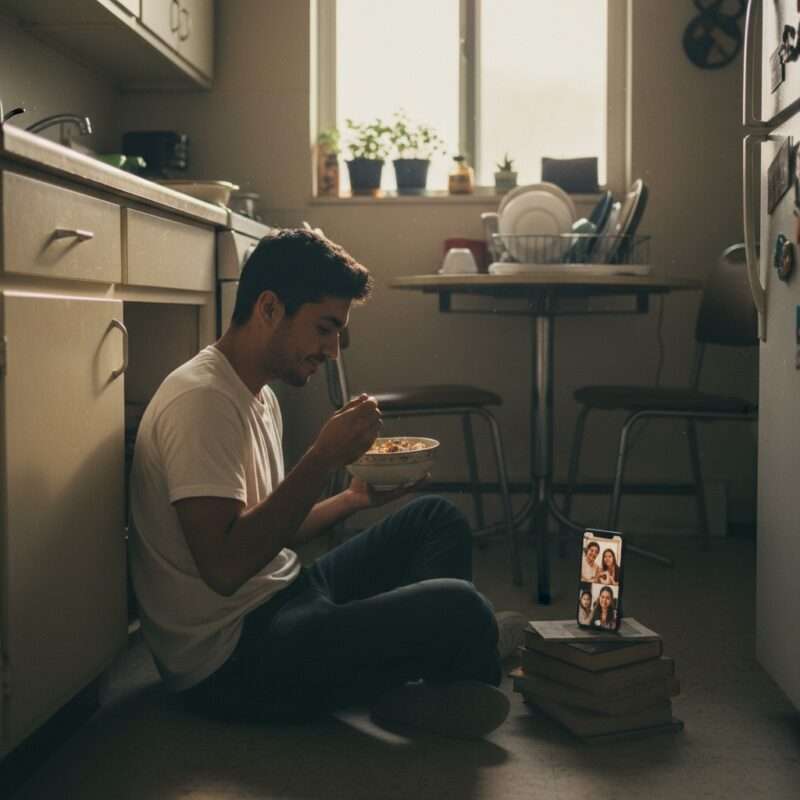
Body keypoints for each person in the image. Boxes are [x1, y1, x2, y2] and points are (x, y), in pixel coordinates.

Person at [128, 228, 515, 740]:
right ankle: (459, 659)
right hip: (234, 660)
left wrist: (352, 499)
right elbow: (224, 568)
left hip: (284, 596)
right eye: (324, 329)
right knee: (462, 607)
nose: (332, 351)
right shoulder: (201, 401)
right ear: (269, 308)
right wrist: (321, 457)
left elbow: (269, 531)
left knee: (436, 518)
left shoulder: (257, 392)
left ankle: (444, 671)